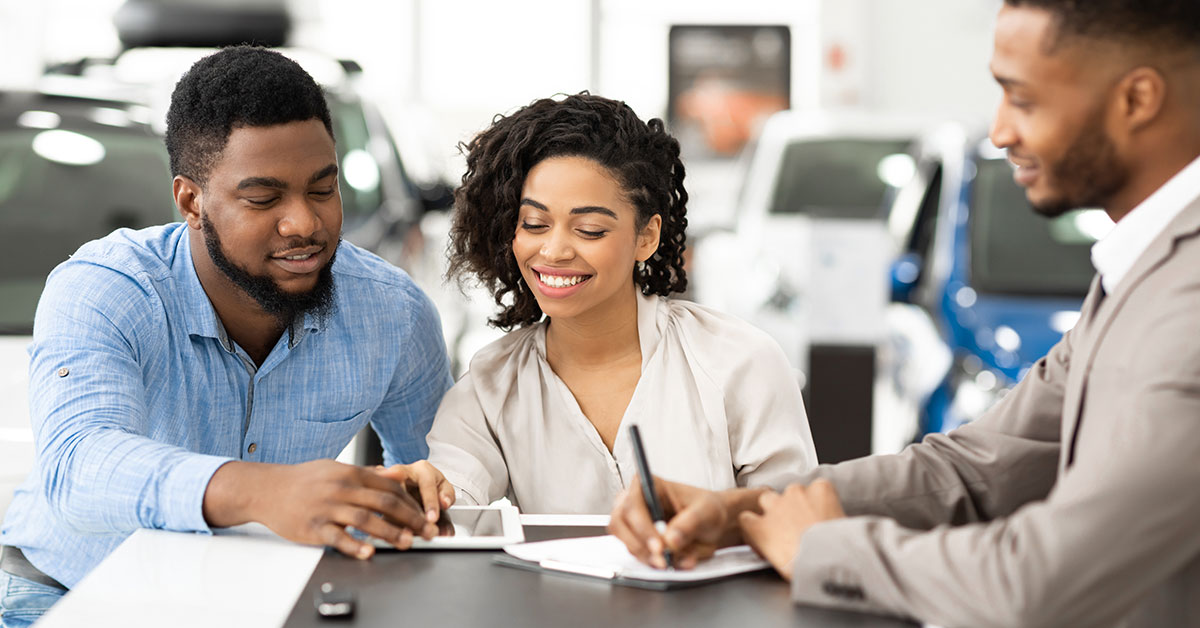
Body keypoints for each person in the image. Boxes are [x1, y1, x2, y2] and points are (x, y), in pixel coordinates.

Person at [610, 1, 1200, 625]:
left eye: (1022, 100)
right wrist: (745, 510)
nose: (1000, 132)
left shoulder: (1187, 300)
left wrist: (822, 547)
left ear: (1136, 99)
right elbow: (975, 471)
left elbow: (1040, 581)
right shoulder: (1143, 270)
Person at [0, 46, 454, 627]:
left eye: (322, 189)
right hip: (70, 588)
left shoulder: (392, 312)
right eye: (263, 199)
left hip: (263, 595)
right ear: (191, 201)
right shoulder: (106, 289)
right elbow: (79, 466)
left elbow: (440, 476)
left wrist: (421, 495)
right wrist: (265, 492)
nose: (305, 224)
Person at [425, 93, 816, 514]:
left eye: (590, 229)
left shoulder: (738, 363)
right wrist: (425, 494)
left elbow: (793, 520)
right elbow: (450, 501)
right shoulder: (493, 384)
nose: (554, 251)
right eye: (534, 224)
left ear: (645, 238)